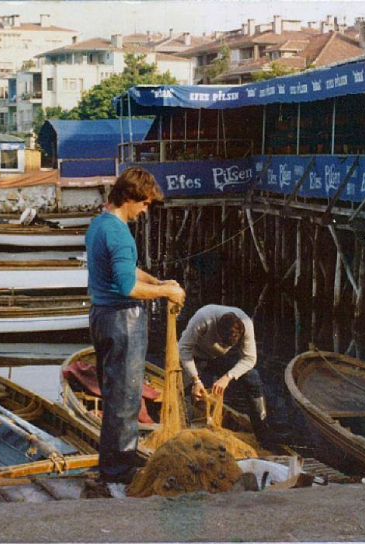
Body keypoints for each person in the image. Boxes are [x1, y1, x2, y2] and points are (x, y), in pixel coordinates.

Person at [86, 166, 185, 486]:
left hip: (100, 315)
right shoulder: (120, 233)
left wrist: (155, 279)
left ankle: (110, 464)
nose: (145, 211)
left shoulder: (99, 224)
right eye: (144, 204)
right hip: (122, 319)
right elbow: (128, 286)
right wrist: (167, 291)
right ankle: (120, 472)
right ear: (129, 198)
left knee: (113, 396)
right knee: (127, 399)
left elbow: (124, 270)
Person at [178, 305, 268, 433]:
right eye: (223, 343)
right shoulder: (203, 318)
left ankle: (262, 429)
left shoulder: (246, 323)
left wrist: (227, 377)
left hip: (219, 358)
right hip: (194, 357)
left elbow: (250, 359)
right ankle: (185, 430)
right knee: (184, 391)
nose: (224, 345)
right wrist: (196, 380)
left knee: (252, 377)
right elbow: (183, 348)